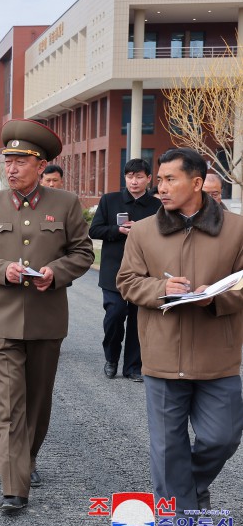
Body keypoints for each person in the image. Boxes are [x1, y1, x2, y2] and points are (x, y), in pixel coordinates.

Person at [0, 119, 93, 513]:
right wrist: (2, 270)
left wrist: (56, 273)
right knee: (9, 403)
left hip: (46, 320)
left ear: (41, 165)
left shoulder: (66, 204)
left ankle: (28, 457)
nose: (13, 168)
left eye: (21, 161)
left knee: (37, 403)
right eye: (9, 161)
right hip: (1, 321)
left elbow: (83, 254)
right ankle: (14, 485)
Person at [116, 148, 243, 526]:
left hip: (218, 355)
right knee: (168, 446)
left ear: (197, 182)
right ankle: (178, 523)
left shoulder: (237, 230)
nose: (161, 188)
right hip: (162, 354)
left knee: (222, 438)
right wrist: (160, 288)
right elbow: (127, 281)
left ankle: (185, 490)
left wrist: (216, 297)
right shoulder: (143, 230)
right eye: (159, 180)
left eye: (170, 180)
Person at [88, 158, 161, 382]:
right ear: (125, 178)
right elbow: (95, 230)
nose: (134, 181)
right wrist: (118, 229)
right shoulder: (110, 200)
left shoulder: (157, 206)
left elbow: (164, 234)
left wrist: (142, 231)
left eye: (139, 176)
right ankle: (111, 358)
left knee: (139, 320)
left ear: (149, 179)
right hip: (114, 271)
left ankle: (133, 367)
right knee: (115, 315)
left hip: (144, 272)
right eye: (130, 176)